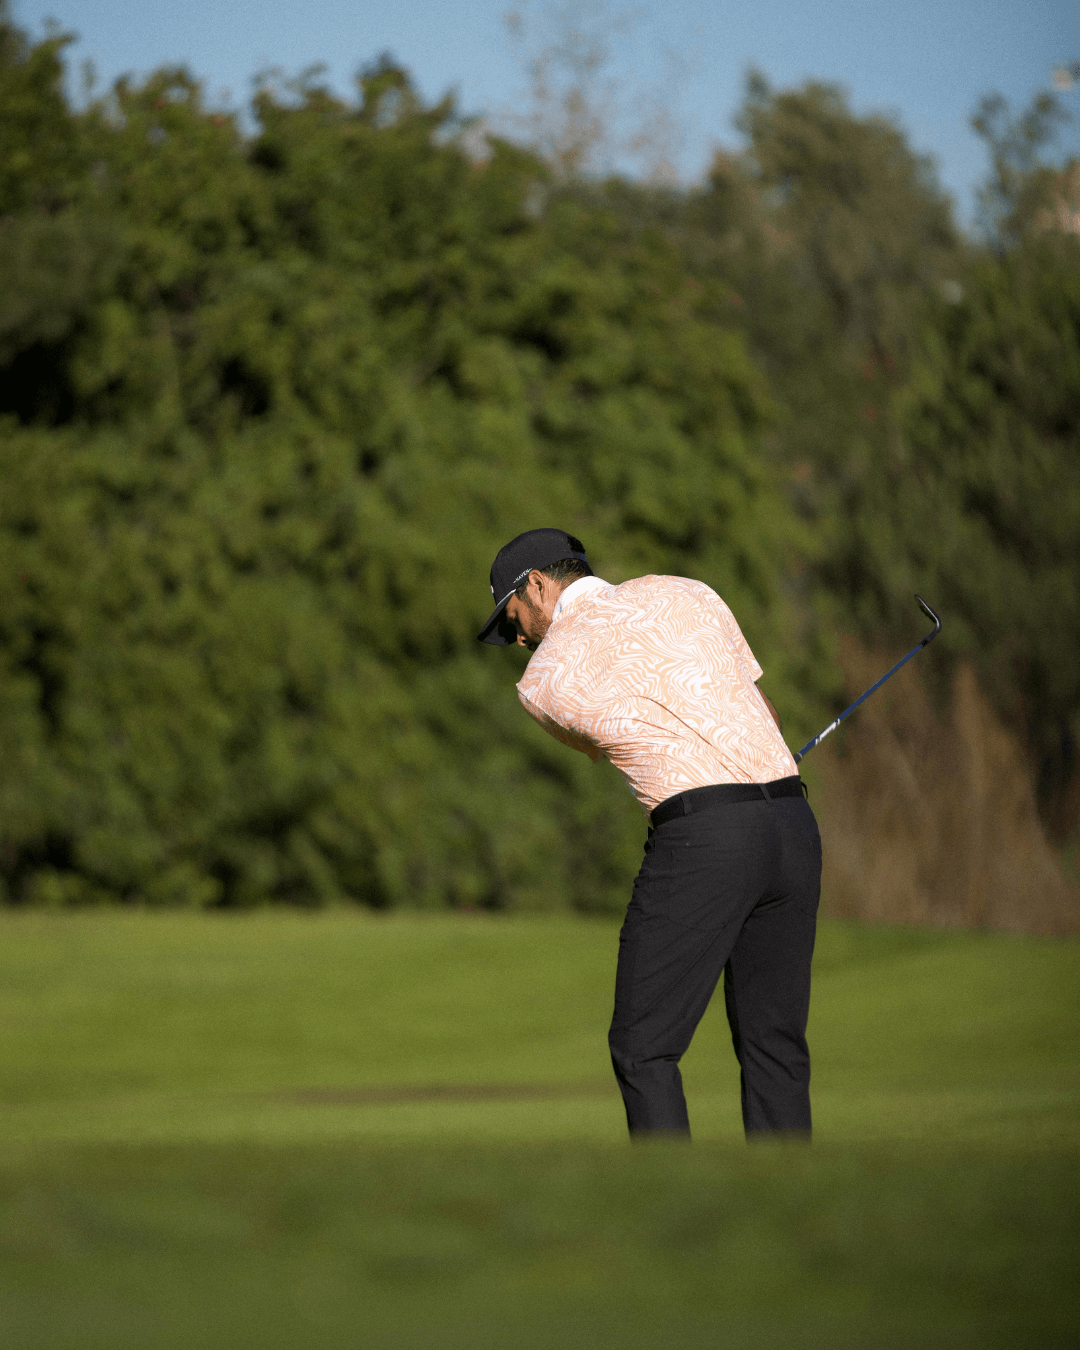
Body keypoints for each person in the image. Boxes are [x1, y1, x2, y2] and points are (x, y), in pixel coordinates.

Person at [478, 528, 822, 1140]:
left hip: (708, 838)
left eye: (512, 624)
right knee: (775, 1049)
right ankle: (792, 1213)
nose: (520, 640)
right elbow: (759, 711)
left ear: (535, 585)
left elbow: (613, 737)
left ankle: (671, 1222)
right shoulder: (691, 592)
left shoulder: (541, 681)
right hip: (792, 823)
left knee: (644, 1048)